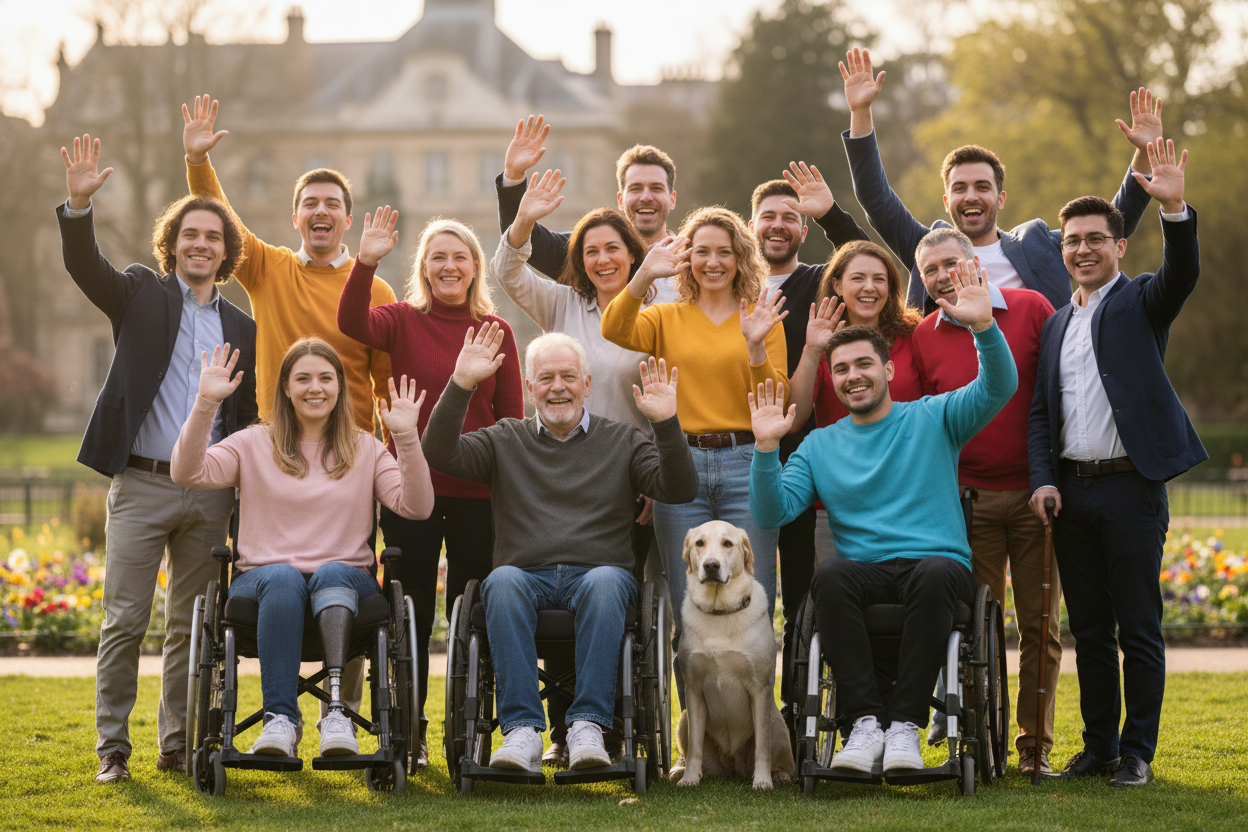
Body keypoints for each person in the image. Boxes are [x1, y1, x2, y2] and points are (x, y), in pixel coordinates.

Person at [750, 259, 1017, 776]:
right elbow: (772, 511)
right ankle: (864, 724)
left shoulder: (934, 416)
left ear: (889, 369)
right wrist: (766, 449)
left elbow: (997, 389)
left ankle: (903, 729)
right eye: (842, 369)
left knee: (938, 571)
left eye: (864, 365)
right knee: (828, 576)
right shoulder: (819, 446)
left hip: (935, 567)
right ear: (832, 377)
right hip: (865, 573)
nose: (854, 377)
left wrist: (984, 328)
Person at [182, 93, 396, 724]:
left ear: (347, 219)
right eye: (312, 203)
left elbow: (381, 381)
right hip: (277, 449)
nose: (322, 211)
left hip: (351, 455)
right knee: (276, 566)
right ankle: (281, 709)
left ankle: (348, 712)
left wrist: (383, 453)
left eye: (334, 204)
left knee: (348, 573)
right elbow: (221, 217)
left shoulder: (374, 286)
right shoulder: (270, 268)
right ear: (297, 216)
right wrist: (197, 160)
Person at [57, 134, 257, 783]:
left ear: (226, 252)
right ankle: (112, 746)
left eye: (212, 237)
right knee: (124, 620)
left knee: (190, 627)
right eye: (190, 235)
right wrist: (80, 207)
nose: (201, 244)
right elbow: (87, 268)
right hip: (141, 484)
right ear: (172, 244)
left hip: (207, 493)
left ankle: (177, 743)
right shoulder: (140, 294)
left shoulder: (241, 328)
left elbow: (246, 419)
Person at [421, 328, 697, 772]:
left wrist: (666, 423)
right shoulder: (503, 439)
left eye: (568, 376)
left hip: (599, 576)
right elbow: (439, 451)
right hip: (525, 575)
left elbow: (679, 488)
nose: (558, 387)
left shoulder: (623, 440)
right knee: (502, 580)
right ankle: (522, 731)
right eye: (545, 378)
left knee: (608, 580)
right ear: (530, 389)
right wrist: (461, 383)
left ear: (587, 385)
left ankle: (588, 726)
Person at [1028, 140, 1203, 787]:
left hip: (1132, 489)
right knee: (1091, 631)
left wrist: (1175, 207)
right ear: (1063, 249)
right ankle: (1098, 745)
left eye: (1095, 239)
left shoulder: (1141, 303)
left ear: (1118, 246)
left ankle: (1137, 753)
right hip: (1073, 493)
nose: (1082, 249)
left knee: (1138, 628)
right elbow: (1043, 415)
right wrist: (1044, 479)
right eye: (1073, 240)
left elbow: (1181, 273)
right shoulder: (1053, 325)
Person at [170, 338, 435, 758]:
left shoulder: (365, 448)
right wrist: (205, 403)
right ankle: (280, 720)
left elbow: (417, 507)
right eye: (304, 378)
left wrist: (405, 436)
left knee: (330, 572)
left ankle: (336, 713)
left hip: (347, 582)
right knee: (282, 575)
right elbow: (186, 471)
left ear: (340, 387)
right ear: (287, 388)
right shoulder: (253, 442)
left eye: (326, 378)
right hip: (263, 586)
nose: (316, 387)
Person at [336, 208, 522, 768]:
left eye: (459, 257)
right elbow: (351, 322)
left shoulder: (496, 333)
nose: (448, 265)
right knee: (408, 611)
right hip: (409, 492)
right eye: (437, 256)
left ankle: (472, 731)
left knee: (474, 614)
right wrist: (365, 261)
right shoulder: (399, 320)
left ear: (473, 269)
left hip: (477, 496)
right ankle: (406, 733)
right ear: (423, 266)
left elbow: (510, 419)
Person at [492, 168, 662, 765]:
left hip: (632, 473)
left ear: (632, 253)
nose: (602, 260)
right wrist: (523, 218)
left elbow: (672, 394)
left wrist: (654, 479)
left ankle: (606, 726)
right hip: (562, 468)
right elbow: (507, 272)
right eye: (590, 251)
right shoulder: (563, 303)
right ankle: (565, 731)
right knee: (554, 583)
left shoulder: (660, 305)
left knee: (611, 592)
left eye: (613, 249)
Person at [600, 206, 789, 724]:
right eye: (701, 251)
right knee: (690, 604)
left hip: (745, 459)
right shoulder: (664, 316)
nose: (712, 261)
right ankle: (694, 736)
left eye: (723, 252)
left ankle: (757, 732)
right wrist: (644, 275)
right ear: (686, 258)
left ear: (739, 257)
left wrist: (754, 346)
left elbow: (775, 397)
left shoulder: (760, 315)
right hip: (679, 463)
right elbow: (614, 327)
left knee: (753, 600)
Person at [838, 48, 1161, 312]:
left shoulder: (1040, 245)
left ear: (1000, 198)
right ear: (947, 201)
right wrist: (861, 112)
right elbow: (875, 197)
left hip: (1037, 388)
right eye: (959, 188)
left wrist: (1144, 153)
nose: (971, 196)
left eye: (982, 187)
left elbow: (1113, 224)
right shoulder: (926, 248)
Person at [911, 227, 1058, 774]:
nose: (943, 275)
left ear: (976, 262)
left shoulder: (1030, 307)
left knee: (1041, 626)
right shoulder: (924, 335)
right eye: (930, 270)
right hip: (966, 500)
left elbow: (1055, 392)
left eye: (951, 263)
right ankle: (976, 736)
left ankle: (1033, 747)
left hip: (1033, 495)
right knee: (973, 625)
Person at [747, 167, 870, 717]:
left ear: (801, 228)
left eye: (789, 218)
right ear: (751, 226)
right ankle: (746, 713)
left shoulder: (819, 282)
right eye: (768, 216)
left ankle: (798, 710)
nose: (778, 226)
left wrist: (829, 213)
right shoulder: (728, 284)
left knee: (801, 589)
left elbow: (866, 261)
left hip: (802, 458)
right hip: (735, 450)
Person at [788, 240, 923, 561]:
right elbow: (794, 418)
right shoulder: (822, 343)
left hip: (909, 500)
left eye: (879, 279)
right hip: (841, 503)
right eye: (858, 278)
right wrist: (812, 350)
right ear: (837, 283)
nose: (869, 287)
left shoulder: (914, 335)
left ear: (891, 287)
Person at [494, 115, 680, 300]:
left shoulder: (695, 259)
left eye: (656, 188)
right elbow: (521, 237)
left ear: (672, 199)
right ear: (620, 200)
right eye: (635, 188)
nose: (646, 197)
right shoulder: (584, 252)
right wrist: (514, 175)